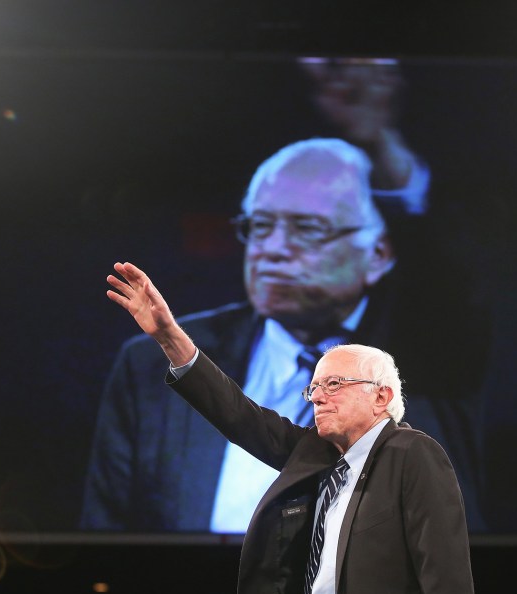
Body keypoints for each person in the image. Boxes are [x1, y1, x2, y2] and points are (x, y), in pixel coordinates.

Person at [79, 135, 488, 533]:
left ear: (378, 253)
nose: (272, 248)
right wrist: (172, 342)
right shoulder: (149, 364)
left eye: (307, 227)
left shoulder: (439, 365)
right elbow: (108, 533)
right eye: (260, 225)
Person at [104, 261, 474, 594]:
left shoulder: (411, 454)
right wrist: (169, 337)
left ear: (381, 397)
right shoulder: (315, 455)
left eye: (334, 384)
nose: (318, 397)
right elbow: (239, 416)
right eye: (313, 388)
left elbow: (447, 585)